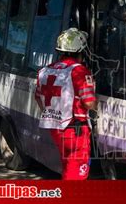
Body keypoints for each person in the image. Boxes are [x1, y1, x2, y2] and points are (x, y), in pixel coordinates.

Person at [35, 28, 96, 180]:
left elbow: (38, 98)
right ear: (80, 50)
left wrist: (55, 114)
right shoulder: (80, 71)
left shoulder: (44, 71)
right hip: (75, 130)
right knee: (77, 173)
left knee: (68, 165)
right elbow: (89, 103)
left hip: (56, 128)